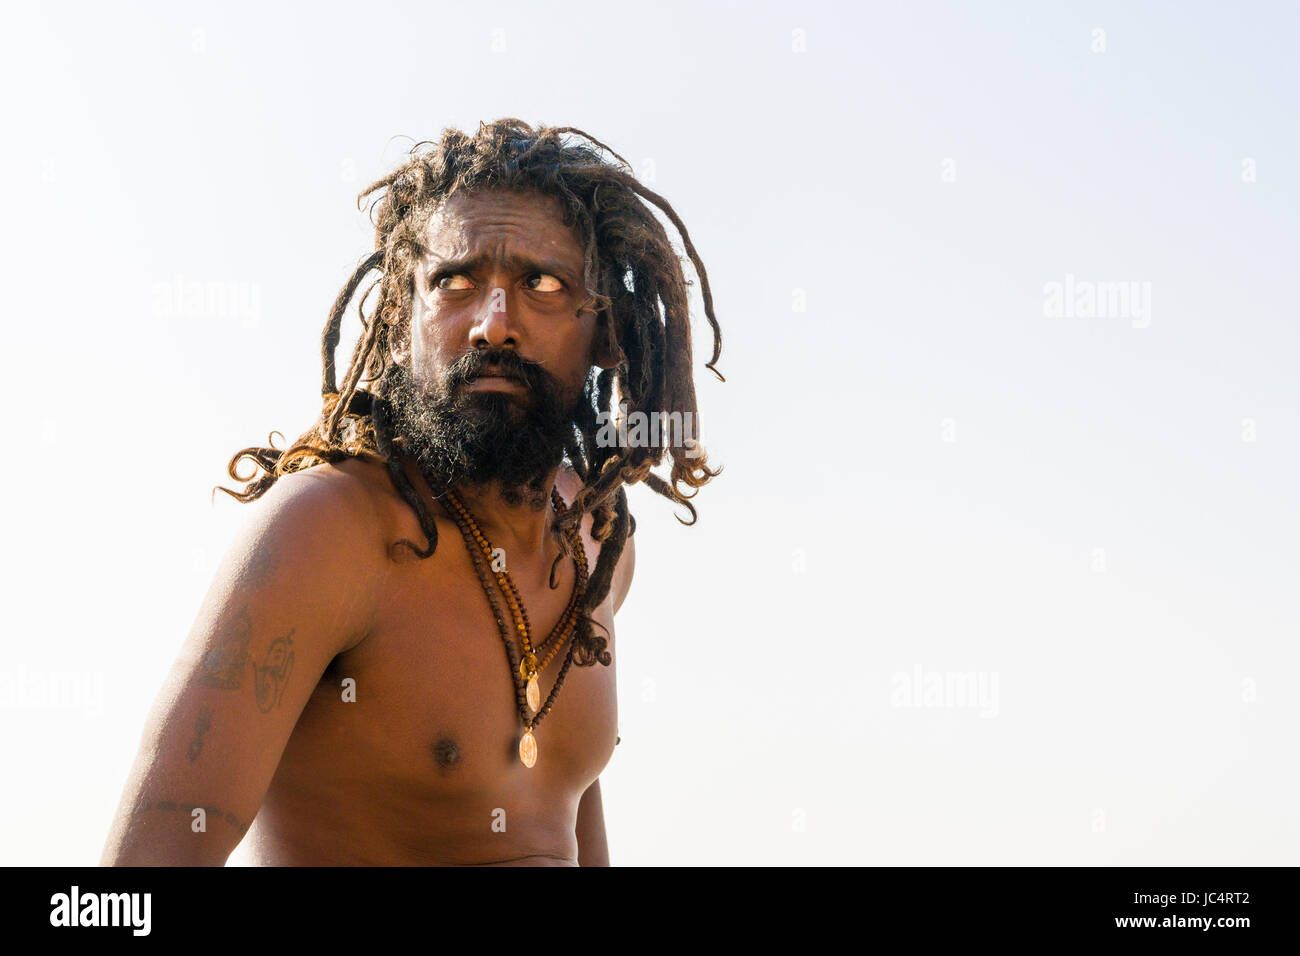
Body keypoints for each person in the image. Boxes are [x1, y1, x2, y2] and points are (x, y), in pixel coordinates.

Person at [100, 118, 724, 866]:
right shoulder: (324, 533)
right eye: (455, 282)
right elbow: (147, 862)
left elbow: (561, 816)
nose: (495, 325)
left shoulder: (597, 540)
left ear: (603, 332)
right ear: (400, 318)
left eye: (543, 284)